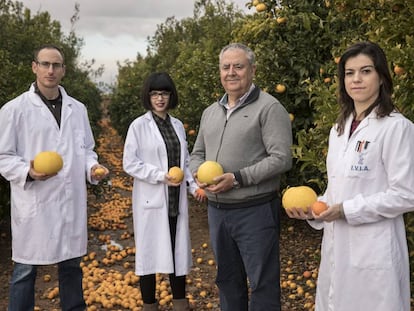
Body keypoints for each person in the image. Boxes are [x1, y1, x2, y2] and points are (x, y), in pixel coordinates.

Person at [285, 41, 414, 310]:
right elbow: (337, 188)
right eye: (349, 72)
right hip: (338, 247)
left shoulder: (397, 128)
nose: (356, 79)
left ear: (381, 77)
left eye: (366, 71)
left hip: (374, 249)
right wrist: (314, 210)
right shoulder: (339, 129)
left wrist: (346, 210)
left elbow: (406, 195)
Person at [0, 44, 109, 311]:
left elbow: (85, 150)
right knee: (26, 269)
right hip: (35, 203)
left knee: (71, 266)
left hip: (69, 202)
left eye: (56, 65)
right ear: (34, 66)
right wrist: (28, 171)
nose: (51, 70)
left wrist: (92, 168)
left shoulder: (78, 109)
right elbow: (4, 156)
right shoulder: (14, 110)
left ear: (64, 70)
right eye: (45, 64)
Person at [189, 43, 293, 310]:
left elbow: (281, 158)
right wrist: (197, 174)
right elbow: (196, 154)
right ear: (220, 72)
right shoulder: (210, 112)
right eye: (226, 67)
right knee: (227, 279)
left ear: (252, 70)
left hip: (255, 211)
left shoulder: (269, 108)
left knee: (262, 283)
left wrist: (237, 178)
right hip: (217, 211)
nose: (231, 72)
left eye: (238, 66)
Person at [123, 72, 204, 311]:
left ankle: (180, 304)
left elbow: (185, 162)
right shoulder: (138, 126)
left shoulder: (176, 125)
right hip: (152, 200)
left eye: (164, 93)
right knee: (148, 256)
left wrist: (194, 187)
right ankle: (149, 305)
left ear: (171, 96)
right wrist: (160, 176)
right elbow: (130, 163)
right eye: (155, 94)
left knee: (177, 254)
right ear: (148, 97)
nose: (160, 99)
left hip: (175, 201)